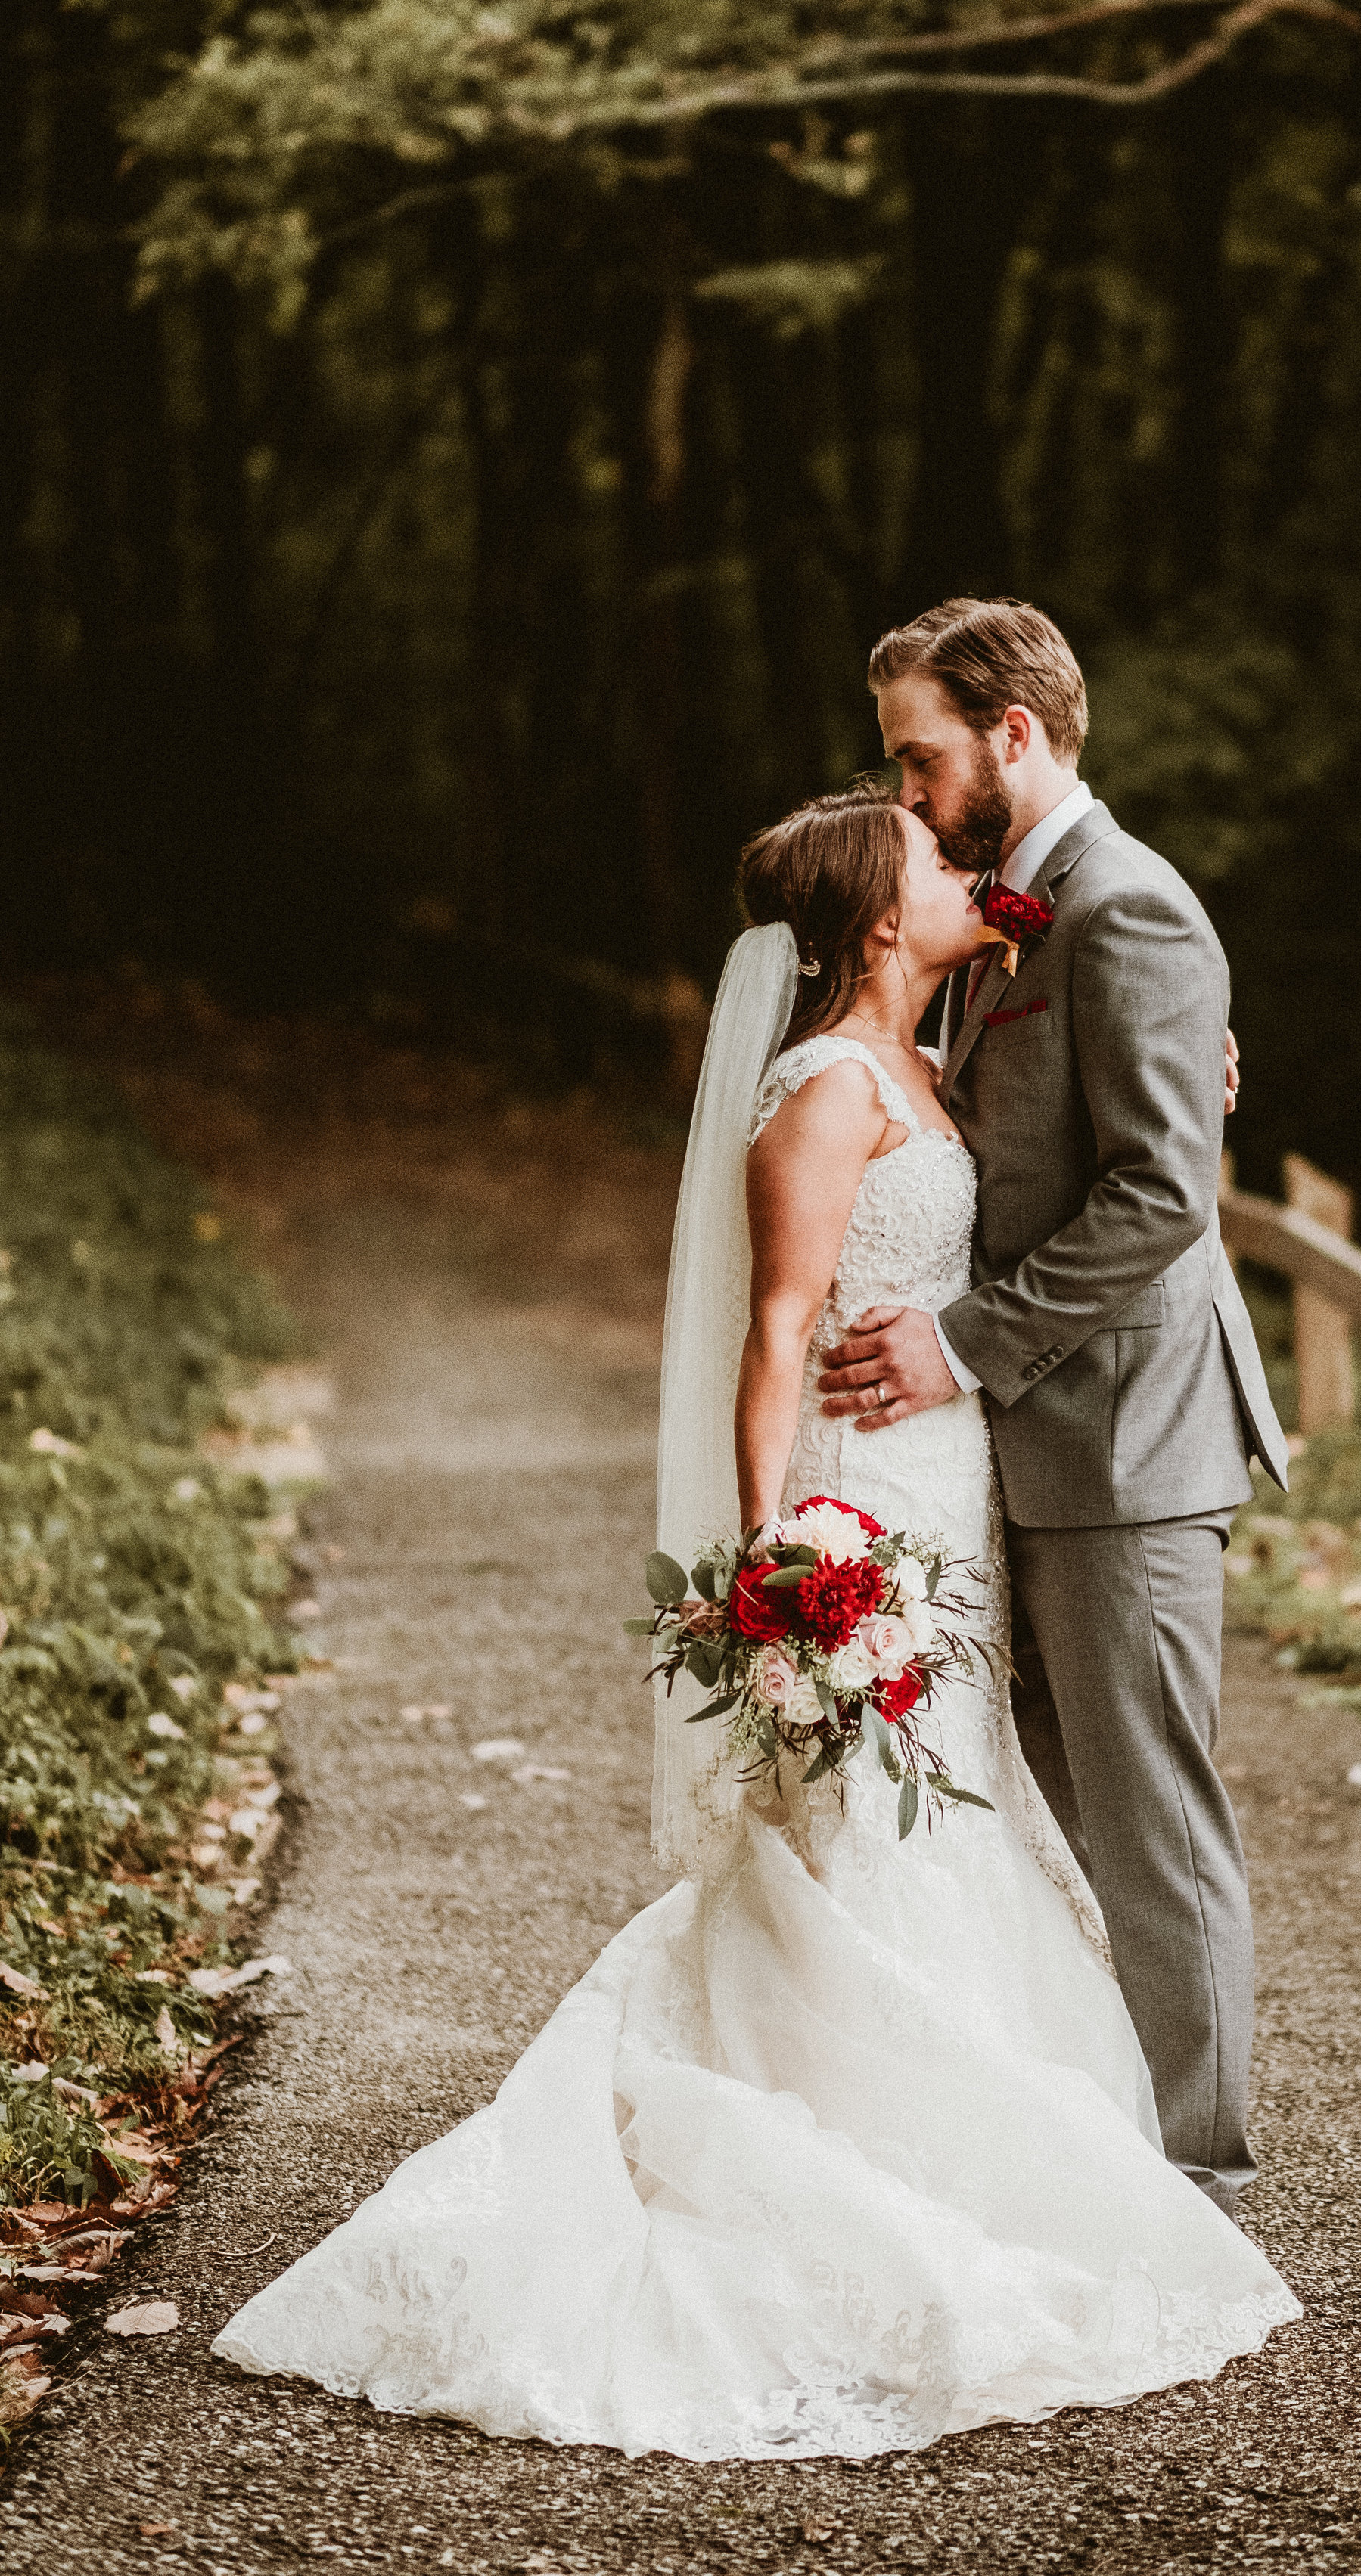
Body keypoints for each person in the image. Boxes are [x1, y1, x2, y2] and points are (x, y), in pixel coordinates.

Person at [212, 768, 1298, 2462]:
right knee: (862, 1826)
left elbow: (1092, 1139)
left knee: (973, 1815)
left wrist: (1197, 1076)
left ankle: (982, 2147)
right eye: (942, 861)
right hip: (864, 1497)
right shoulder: (817, 1086)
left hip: (964, 1496)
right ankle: (848, 2154)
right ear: (882, 915)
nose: (972, 873)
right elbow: (774, 1330)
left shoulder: (937, 1060)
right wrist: (776, 1556)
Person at [819, 598, 1291, 2213]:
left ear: (1010, 737)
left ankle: (1198, 2171)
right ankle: (1111, 2128)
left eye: (920, 757)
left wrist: (959, 1344)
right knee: (1058, 1796)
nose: (904, 793)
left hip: (1126, 1434)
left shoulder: (1130, 910)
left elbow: (1161, 1193)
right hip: (1030, 1445)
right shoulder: (1012, 916)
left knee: (1146, 1814)